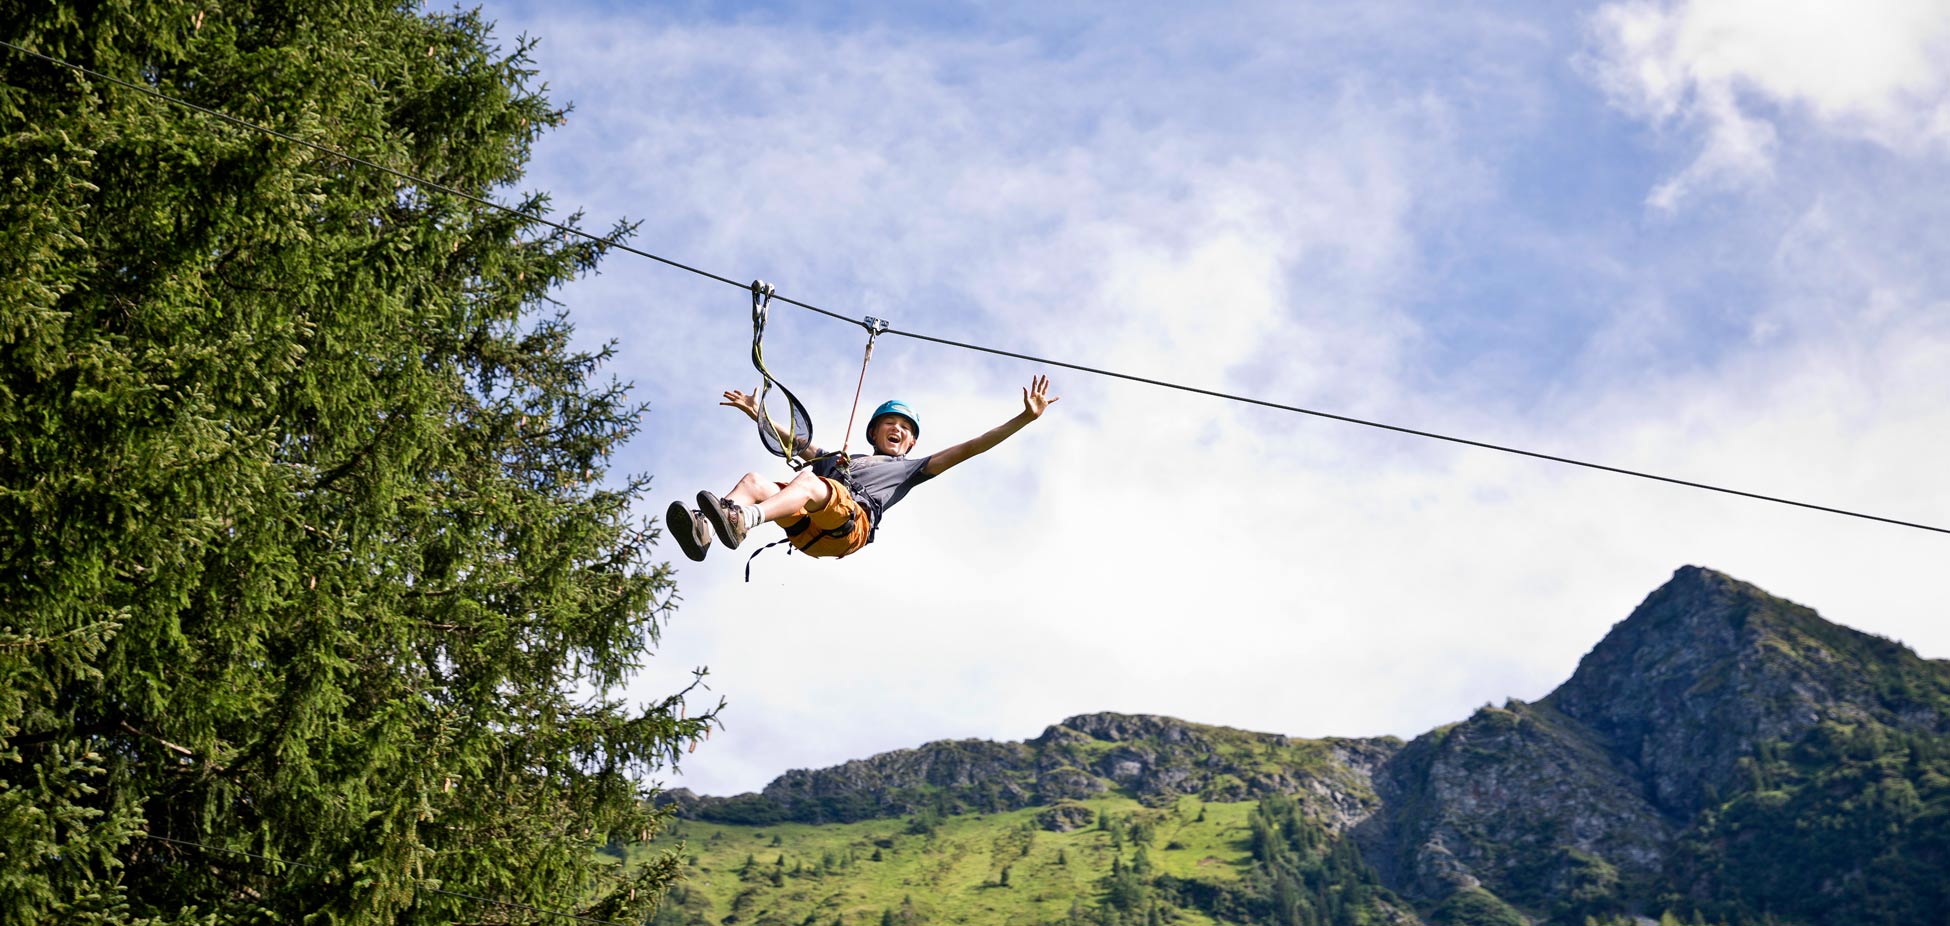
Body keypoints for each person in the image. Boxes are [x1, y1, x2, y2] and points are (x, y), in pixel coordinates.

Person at [666, 375, 1058, 562]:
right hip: (812, 526)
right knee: (755, 480)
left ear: (911, 443)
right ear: (874, 430)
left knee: (807, 482)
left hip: (848, 526)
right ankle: (706, 528)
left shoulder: (912, 469)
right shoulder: (840, 460)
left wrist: (1022, 419)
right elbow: (795, 443)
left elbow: (970, 447)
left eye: (905, 429)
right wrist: (758, 414)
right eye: (891, 424)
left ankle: (744, 519)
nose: (897, 430)